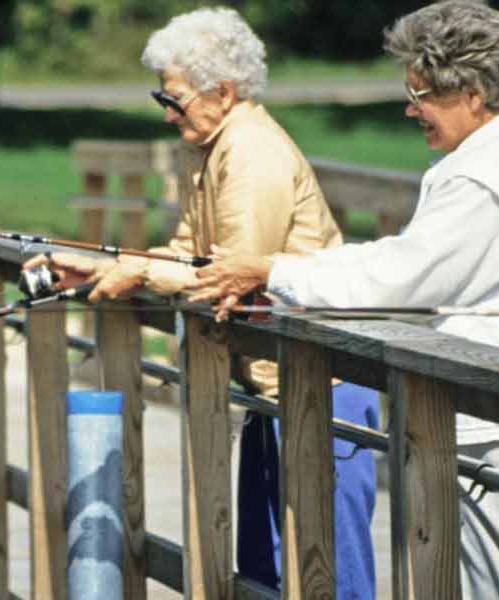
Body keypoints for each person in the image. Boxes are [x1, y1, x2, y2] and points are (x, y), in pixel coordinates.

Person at [185, 1, 499, 597]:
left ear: (474, 93)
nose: (410, 109)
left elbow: (397, 281)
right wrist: (286, 270)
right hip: (494, 426)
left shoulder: (486, 175)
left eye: (421, 93)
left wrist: (274, 270)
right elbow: (402, 260)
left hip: (497, 437)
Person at [24, 7, 379, 597]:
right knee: (264, 573)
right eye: (162, 98)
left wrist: (135, 270)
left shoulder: (252, 154)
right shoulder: (210, 148)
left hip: (323, 387)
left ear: (224, 91)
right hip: (271, 387)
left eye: (175, 99)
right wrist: (100, 267)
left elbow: (230, 273)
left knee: (332, 576)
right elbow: (190, 253)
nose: (166, 112)